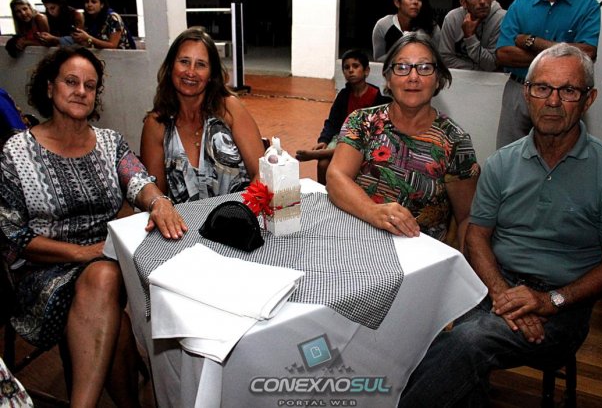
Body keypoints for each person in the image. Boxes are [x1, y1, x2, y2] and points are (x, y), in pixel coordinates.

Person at [399, 43, 602, 407]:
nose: (553, 101)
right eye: (542, 88)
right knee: (427, 332)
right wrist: (501, 293)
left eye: (568, 90)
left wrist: (550, 301)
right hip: (495, 286)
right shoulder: (502, 163)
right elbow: (477, 236)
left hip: (565, 303)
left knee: (466, 342)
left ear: (588, 99)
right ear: (526, 94)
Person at [0, 46, 188, 407]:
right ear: (50, 87)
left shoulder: (109, 143)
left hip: (103, 265)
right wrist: (82, 253)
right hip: (42, 273)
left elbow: (138, 179)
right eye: (71, 82)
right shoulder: (16, 152)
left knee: (105, 279)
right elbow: (13, 236)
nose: (81, 91)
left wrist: (158, 201)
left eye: (89, 85)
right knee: (112, 305)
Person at [326, 32, 479, 248]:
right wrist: (373, 212)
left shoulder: (455, 141)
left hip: (420, 254)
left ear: (438, 79)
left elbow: (466, 217)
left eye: (424, 67)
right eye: (402, 67)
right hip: (357, 241)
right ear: (388, 78)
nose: (413, 77)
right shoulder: (363, 122)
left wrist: (459, 263)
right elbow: (336, 177)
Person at [141, 27, 265, 204]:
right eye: (184, 61)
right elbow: (156, 198)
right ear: (170, 67)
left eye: (201, 64)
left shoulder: (229, 109)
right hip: (182, 221)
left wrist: (242, 213)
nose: (190, 72)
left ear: (211, 74)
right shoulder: (156, 124)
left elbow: (262, 174)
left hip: (240, 215)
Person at [494, 0, 600, 148]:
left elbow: (588, 53)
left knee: (562, 152)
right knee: (509, 152)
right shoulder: (521, 4)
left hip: (566, 94)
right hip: (519, 89)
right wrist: (567, 53)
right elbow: (503, 54)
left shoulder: (587, 5)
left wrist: (532, 42)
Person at [295, 49, 390, 185]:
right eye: (346, 67)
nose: (351, 70)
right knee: (323, 164)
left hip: (366, 141)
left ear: (366, 71)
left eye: (355, 66)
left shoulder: (377, 98)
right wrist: (324, 140)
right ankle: (323, 194)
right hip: (342, 137)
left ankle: (315, 155)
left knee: (349, 151)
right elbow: (332, 122)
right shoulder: (343, 95)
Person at [439, 0, 505, 71]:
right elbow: (445, 59)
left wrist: (470, 37)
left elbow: (492, 64)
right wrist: (476, 69)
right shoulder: (452, 18)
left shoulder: (502, 19)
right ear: (464, 3)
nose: (482, 1)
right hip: (458, 76)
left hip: (491, 78)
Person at [372, 0, 441, 62]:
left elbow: (436, 60)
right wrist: (404, 51)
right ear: (397, 3)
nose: (416, 2)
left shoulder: (432, 28)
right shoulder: (383, 25)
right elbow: (378, 61)